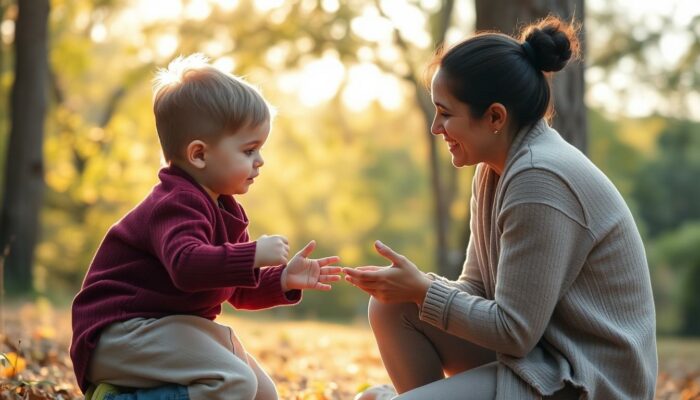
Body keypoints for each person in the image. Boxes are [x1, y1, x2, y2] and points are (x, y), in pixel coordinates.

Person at [344, 16, 657, 400]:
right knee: (392, 308)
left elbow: (514, 331)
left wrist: (424, 289)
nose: (435, 128)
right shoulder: (495, 170)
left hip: (582, 379)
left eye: (445, 113)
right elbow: (477, 290)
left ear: (494, 116)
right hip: (539, 357)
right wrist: (411, 288)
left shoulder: (539, 178)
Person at [70, 53, 342, 400]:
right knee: (234, 383)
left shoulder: (223, 209)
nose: (260, 161)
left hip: (165, 329)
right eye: (249, 150)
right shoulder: (175, 203)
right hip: (120, 333)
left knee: (262, 393)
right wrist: (254, 253)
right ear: (199, 155)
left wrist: (283, 278)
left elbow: (236, 289)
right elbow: (188, 266)